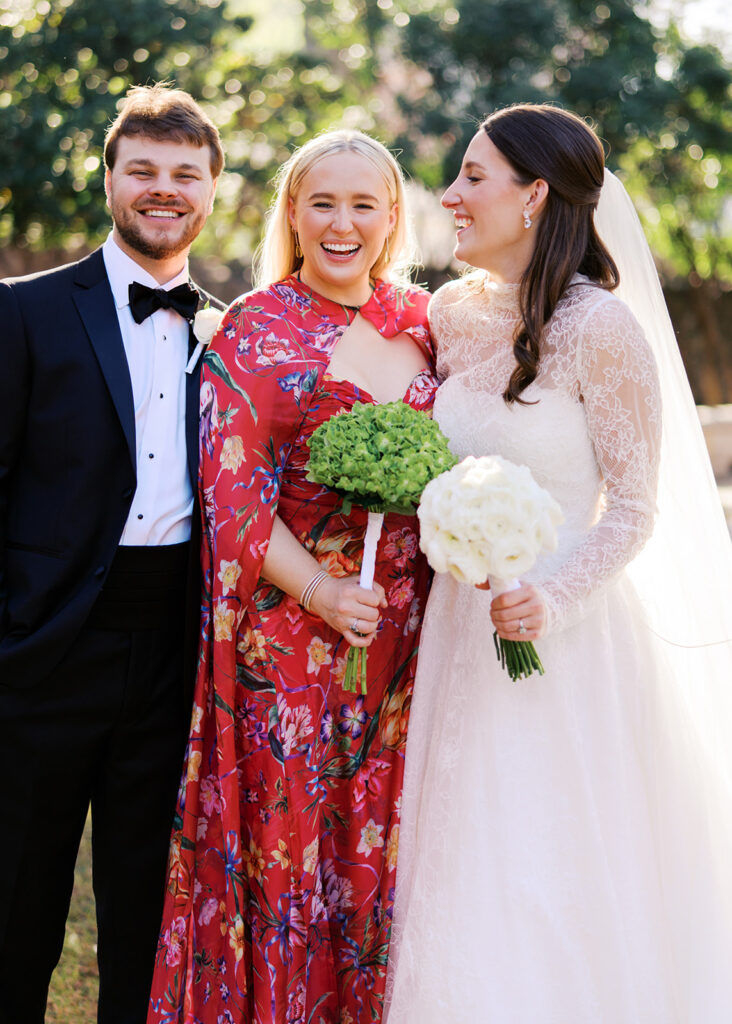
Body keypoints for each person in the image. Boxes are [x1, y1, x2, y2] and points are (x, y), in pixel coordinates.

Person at [386, 104, 732, 1022]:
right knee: (461, 859)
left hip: (564, 642)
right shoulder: (450, 314)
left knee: (550, 867)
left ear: (536, 195)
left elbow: (634, 506)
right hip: (457, 637)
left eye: (472, 176)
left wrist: (552, 595)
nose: (450, 196)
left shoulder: (601, 329)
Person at [147, 130, 438, 1024]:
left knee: (391, 851)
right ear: (293, 215)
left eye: (363, 204)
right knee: (297, 853)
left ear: (393, 218)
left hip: (408, 647)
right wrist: (321, 590)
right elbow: (232, 495)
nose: (342, 223)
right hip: (291, 646)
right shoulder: (255, 327)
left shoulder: (429, 324)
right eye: (323, 203)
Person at [0, 84, 224, 1023]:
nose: (162, 189)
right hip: (41, 651)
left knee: (147, 911)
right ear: (110, 181)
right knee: (15, 909)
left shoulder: (234, 330)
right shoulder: (24, 312)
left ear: (213, 190)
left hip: (173, 653)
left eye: (184, 174)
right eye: (143, 171)